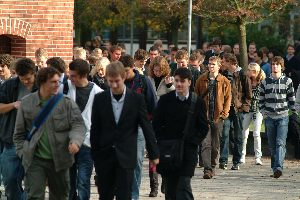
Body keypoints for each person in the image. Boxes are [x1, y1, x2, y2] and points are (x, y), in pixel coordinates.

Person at [90, 61, 159, 200]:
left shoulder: (136, 99)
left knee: (124, 195)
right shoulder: (100, 99)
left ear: (124, 77)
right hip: (105, 156)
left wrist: (153, 153)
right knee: (105, 195)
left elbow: (146, 126)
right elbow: (95, 129)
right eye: (111, 81)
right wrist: (96, 155)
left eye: (117, 81)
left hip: (126, 156)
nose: (114, 85)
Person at [13, 67, 85, 199]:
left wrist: (75, 141)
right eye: (53, 81)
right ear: (42, 82)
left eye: (58, 81)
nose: (58, 84)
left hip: (60, 159)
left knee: (59, 196)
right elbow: (18, 134)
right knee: (34, 196)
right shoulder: (27, 103)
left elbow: (78, 125)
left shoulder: (66, 103)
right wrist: (23, 154)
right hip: (34, 160)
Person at [153, 67, 208, 200]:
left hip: (188, 152)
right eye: (176, 80)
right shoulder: (165, 100)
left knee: (183, 186)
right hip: (168, 151)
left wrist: (192, 141)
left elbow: (203, 127)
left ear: (189, 82)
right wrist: (163, 141)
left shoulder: (197, 102)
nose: (178, 84)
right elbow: (156, 124)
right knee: (170, 191)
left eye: (182, 81)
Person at [0, 58, 38, 200]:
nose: (25, 82)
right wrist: (13, 105)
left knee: (33, 183)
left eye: (28, 79)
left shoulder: (44, 86)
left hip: (36, 142)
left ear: (34, 73)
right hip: (12, 140)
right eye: (22, 79)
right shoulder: (9, 85)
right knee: (9, 179)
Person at [120, 55, 157, 199]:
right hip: (121, 127)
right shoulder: (118, 82)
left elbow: (153, 105)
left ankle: (133, 195)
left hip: (139, 127)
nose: (124, 74)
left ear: (133, 68)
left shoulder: (143, 81)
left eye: (126, 71)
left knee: (136, 161)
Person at [66, 59, 103, 200]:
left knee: (83, 180)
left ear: (83, 75)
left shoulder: (98, 93)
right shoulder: (67, 87)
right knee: (69, 181)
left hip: (88, 143)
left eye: (73, 75)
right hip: (69, 142)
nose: (70, 77)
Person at [259, 56, 296, 178]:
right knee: (272, 145)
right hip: (269, 117)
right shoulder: (265, 82)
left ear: (282, 66)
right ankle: (275, 169)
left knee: (280, 143)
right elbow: (260, 100)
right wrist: (264, 114)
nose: (275, 66)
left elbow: (291, 99)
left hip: (283, 117)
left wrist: (293, 112)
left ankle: (278, 167)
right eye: (273, 64)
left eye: (277, 64)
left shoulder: (288, 81)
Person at [195, 56, 231, 179]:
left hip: (218, 118)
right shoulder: (201, 79)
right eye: (209, 64)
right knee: (205, 143)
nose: (210, 66)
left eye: (213, 64)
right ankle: (207, 169)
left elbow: (228, 99)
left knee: (215, 146)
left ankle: (213, 165)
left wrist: (224, 113)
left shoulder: (224, 81)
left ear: (219, 66)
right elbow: (196, 97)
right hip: (204, 118)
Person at [219, 53, 252, 170]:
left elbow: (248, 93)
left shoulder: (242, 74)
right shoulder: (223, 74)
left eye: (225, 61)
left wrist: (243, 107)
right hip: (226, 109)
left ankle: (236, 161)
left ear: (230, 62)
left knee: (237, 136)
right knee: (225, 134)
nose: (223, 64)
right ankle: (223, 160)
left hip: (238, 109)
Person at [147, 56, 174, 197]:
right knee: (152, 154)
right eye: (155, 70)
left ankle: (165, 181)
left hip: (165, 123)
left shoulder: (169, 80)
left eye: (159, 70)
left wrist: (170, 86)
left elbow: (175, 97)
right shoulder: (148, 80)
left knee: (164, 155)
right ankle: (154, 186)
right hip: (151, 120)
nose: (157, 72)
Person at [240, 63, 266, 165]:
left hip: (258, 109)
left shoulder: (262, 81)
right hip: (247, 108)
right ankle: (242, 155)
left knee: (256, 133)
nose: (248, 72)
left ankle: (258, 157)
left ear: (255, 71)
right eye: (248, 70)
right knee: (244, 133)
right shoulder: (246, 80)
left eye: (250, 70)